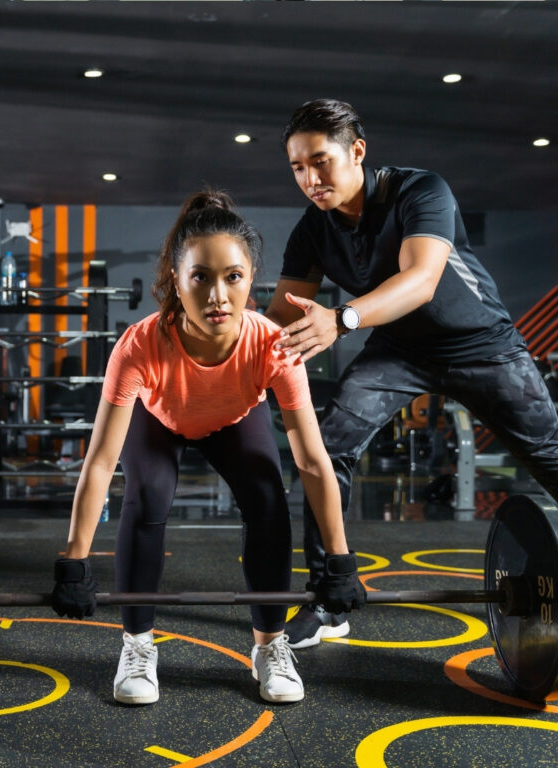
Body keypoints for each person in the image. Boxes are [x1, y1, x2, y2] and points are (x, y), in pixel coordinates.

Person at [51, 190, 365, 706]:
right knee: (147, 495)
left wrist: (339, 558)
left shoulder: (273, 346)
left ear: (251, 278)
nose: (218, 295)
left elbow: (311, 459)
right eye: (201, 277)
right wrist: (74, 560)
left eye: (233, 277)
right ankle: (137, 645)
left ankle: (269, 645)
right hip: (160, 418)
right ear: (177, 281)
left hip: (233, 420)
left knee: (267, 497)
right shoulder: (139, 345)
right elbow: (102, 461)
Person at [264, 98, 558, 650]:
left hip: (480, 344)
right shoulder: (313, 229)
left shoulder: (421, 191)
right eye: (298, 167)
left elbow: (421, 280)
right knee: (327, 449)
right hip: (398, 349)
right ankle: (329, 596)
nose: (310, 178)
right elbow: (281, 315)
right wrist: (212, 340)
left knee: (550, 454)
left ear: (357, 151)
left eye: (321, 161)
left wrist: (343, 319)